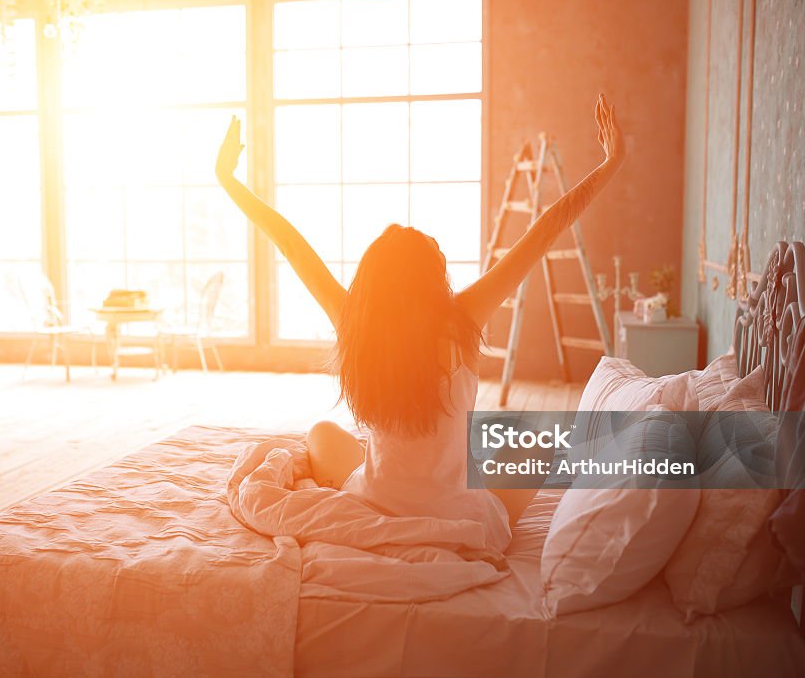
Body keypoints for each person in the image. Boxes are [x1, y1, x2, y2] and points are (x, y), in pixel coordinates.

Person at [216, 94, 624, 543]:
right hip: (457, 518)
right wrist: (611, 163)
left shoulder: (356, 321)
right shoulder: (464, 318)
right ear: (432, 278)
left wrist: (228, 181)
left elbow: (290, 244)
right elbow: (546, 228)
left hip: (375, 505)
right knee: (539, 446)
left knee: (322, 433)